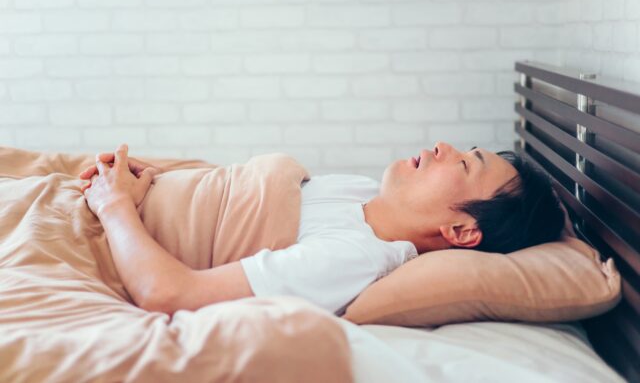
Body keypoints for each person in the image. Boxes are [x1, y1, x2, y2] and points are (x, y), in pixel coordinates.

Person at [79, 142, 565, 316]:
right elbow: (236, 195)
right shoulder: (362, 193)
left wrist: (114, 204)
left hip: (96, 237)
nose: (442, 146)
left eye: (463, 163)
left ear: (460, 231)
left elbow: (169, 294)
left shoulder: (353, 257)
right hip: (107, 200)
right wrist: (156, 182)